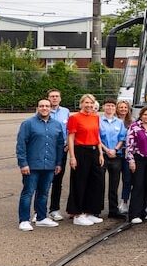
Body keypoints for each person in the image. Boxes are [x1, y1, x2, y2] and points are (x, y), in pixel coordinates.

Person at [16, 99, 65, 231]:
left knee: (44, 193)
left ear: (51, 108)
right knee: (28, 192)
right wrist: (23, 163)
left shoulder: (57, 125)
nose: (44, 108)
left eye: (47, 106)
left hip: (49, 165)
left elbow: (60, 145)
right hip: (32, 165)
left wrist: (58, 163)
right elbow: (21, 145)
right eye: (42, 106)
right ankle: (24, 220)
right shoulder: (28, 124)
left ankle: (41, 218)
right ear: (37, 108)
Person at [66, 94, 105, 226]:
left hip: (94, 150)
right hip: (80, 151)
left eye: (91, 103)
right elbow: (71, 137)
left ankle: (90, 211)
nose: (89, 105)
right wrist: (72, 156)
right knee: (79, 182)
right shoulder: (74, 118)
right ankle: (78, 213)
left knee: (95, 182)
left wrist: (100, 153)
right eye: (86, 103)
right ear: (81, 103)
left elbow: (97, 135)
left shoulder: (95, 117)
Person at [125, 107, 147, 224]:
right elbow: (129, 145)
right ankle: (134, 213)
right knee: (138, 185)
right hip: (138, 159)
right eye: (145, 114)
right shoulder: (134, 127)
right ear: (141, 115)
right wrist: (131, 161)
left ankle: (143, 210)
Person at [98, 99, 127, 219]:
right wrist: (106, 150)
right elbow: (97, 137)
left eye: (112, 106)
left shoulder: (119, 122)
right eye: (107, 105)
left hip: (116, 156)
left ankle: (113, 210)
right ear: (103, 107)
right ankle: (97, 210)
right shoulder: (98, 121)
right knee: (100, 184)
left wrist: (115, 149)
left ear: (115, 108)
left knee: (114, 184)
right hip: (102, 155)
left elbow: (122, 138)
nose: (110, 108)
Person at [47, 89, 70, 221]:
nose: (54, 98)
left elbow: (68, 129)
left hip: (62, 150)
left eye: (56, 96)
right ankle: (39, 211)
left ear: (60, 99)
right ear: (48, 98)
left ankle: (54, 209)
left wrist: (67, 144)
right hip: (46, 149)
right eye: (52, 96)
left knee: (57, 180)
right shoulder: (43, 109)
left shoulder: (65, 112)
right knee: (43, 180)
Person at [115, 100, 134, 214]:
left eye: (125, 107)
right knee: (115, 180)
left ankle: (124, 201)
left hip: (127, 154)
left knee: (127, 179)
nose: (123, 109)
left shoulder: (132, 122)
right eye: (120, 107)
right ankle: (113, 203)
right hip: (116, 154)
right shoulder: (113, 121)